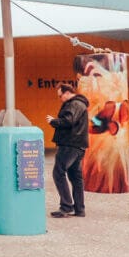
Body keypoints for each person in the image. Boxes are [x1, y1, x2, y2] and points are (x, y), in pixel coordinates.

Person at [46, 83, 89, 218]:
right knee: (76, 177)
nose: (60, 99)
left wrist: (54, 121)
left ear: (67, 92)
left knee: (58, 173)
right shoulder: (80, 104)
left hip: (69, 144)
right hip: (78, 145)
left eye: (60, 96)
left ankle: (66, 206)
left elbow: (68, 121)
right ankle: (79, 209)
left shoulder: (74, 104)